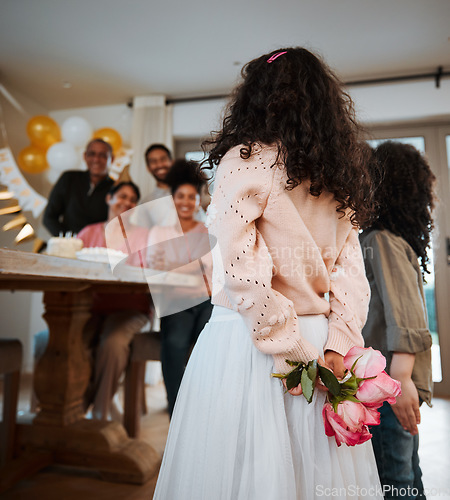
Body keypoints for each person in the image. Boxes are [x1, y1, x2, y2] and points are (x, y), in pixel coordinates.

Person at [153, 47, 382, 499]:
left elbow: (239, 265)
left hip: (250, 345)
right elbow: (352, 275)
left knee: (239, 475)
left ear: (256, 97)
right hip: (318, 342)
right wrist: (338, 343)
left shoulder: (246, 157)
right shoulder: (337, 170)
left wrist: (288, 347)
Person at [360, 141, 435, 499]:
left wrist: (402, 379)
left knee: (395, 480)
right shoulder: (386, 240)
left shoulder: (381, 240)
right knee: (406, 475)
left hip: (390, 385)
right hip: (392, 384)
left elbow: (404, 317)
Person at [77, 181, 152, 420]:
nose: (126, 202)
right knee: (72, 342)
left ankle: (99, 411)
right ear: (108, 198)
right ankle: (73, 407)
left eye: (132, 199)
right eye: (122, 196)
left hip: (130, 308)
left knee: (112, 343)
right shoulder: (87, 233)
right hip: (89, 307)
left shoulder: (145, 236)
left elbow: (148, 272)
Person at [146, 160, 212, 416]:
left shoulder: (206, 231)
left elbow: (210, 271)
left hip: (205, 302)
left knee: (209, 345)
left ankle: (203, 408)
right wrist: (193, 267)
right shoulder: (159, 233)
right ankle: (176, 408)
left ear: (198, 201)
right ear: (172, 199)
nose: (185, 201)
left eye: (191, 197)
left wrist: (174, 266)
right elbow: (155, 269)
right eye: (180, 196)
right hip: (174, 302)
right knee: (174, 343)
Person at [43, 138, 115, 236]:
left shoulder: (116, 189)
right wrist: (68, 240)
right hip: (67, 245)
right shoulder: (69, 178)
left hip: (97, 248)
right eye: (92, 154)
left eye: (102, 155)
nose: (96, 159)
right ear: (85, 156)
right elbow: (49, 217)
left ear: (112, 159)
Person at [135, 143, 208, 228]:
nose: (160, 165)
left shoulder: (191, 190)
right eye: (153, 161)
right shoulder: (146, 203)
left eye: (163, 159)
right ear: (148, 168)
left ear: (172, 162)